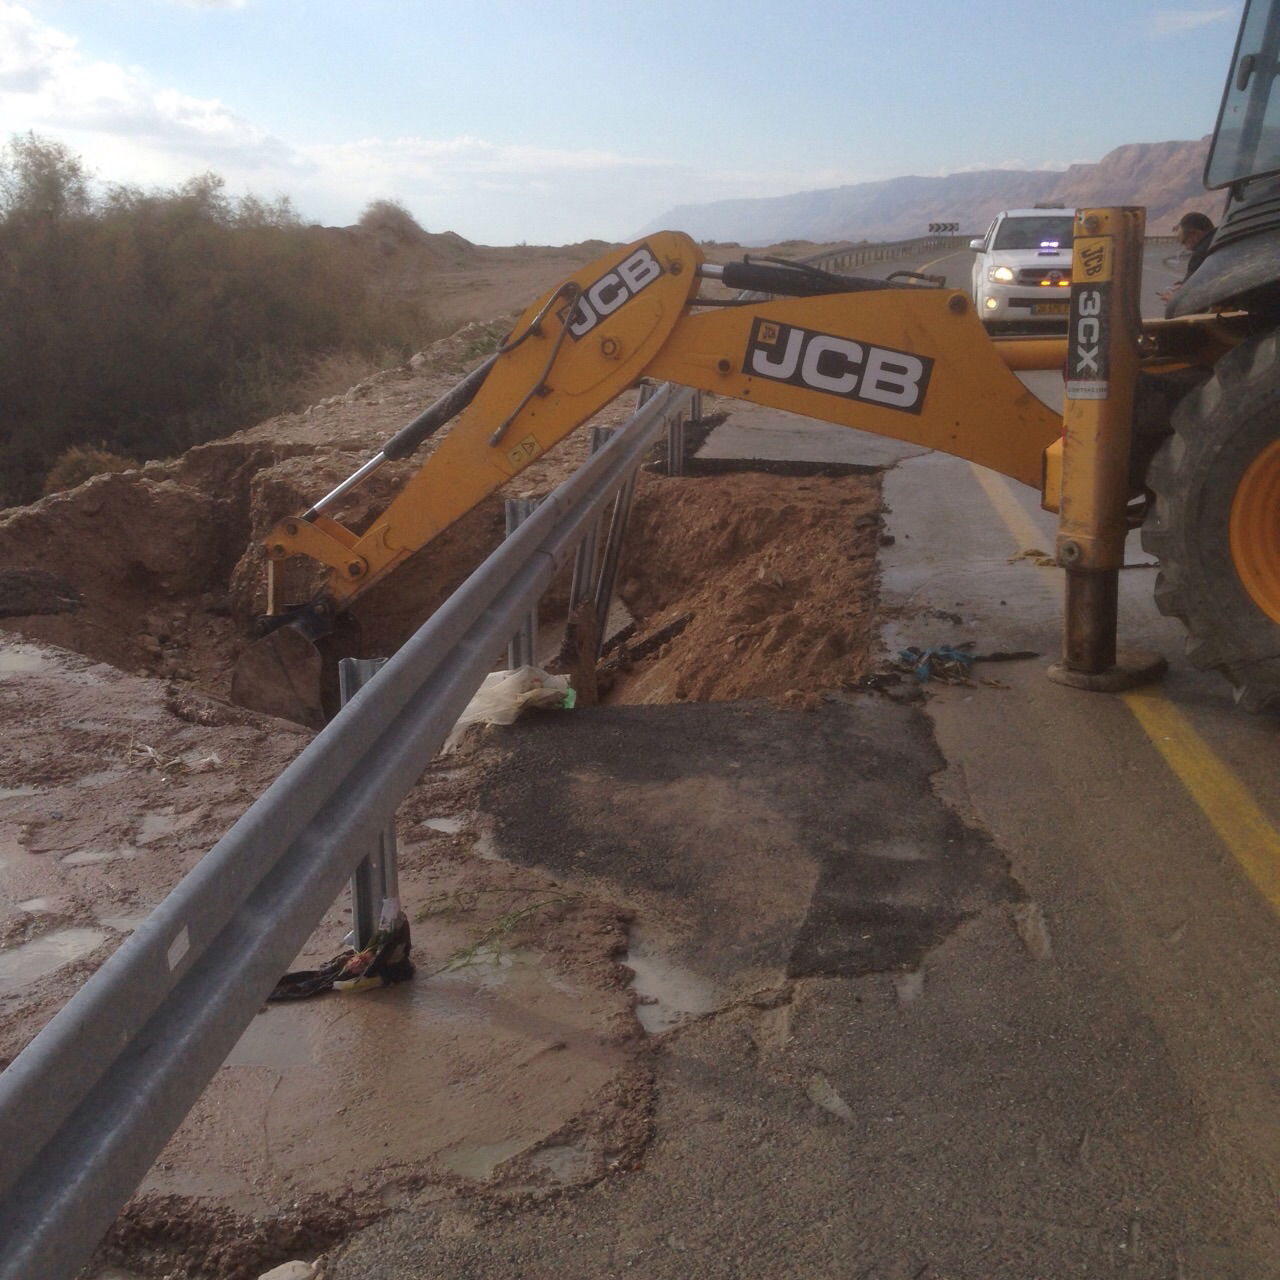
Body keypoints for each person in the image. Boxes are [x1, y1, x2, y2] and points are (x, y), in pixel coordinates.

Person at [1159, 211, 1216, 307]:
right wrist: (1186, 283)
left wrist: (1174, 300)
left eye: (1184, 242)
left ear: (1195, 234)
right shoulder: (1218, 241)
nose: (1186, 248)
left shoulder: (1202, 253)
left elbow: (1193, 299)